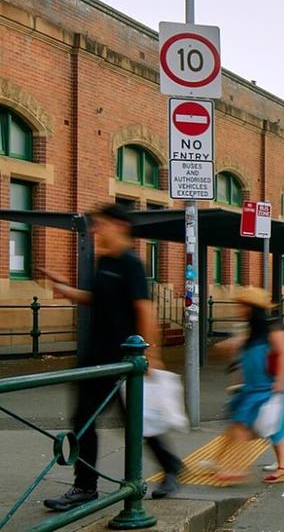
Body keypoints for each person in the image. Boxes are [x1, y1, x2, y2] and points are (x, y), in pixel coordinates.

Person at [41, 202, 183, 512]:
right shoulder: (104, 260)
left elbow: (145, 309)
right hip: (95, 357)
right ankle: (85, 487)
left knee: (136, 421)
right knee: (84, 421)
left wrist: (150, 357)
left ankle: (170, 467)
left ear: (118, 226)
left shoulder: (131, 263)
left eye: (99, 224)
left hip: (123, 361)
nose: (94, 230)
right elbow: (96, 298)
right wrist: (65, 289)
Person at [206, 287, 284, 484]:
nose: (239, 310)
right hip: (255, 387)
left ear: (253, 308)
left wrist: (279, 382)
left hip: (270, 387)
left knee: (256, 425)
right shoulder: (251, 332)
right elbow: (241, 358)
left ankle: (245, 468)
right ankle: (280, 466)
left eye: (243, 306)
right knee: (256, 425)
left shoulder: (273, 329)